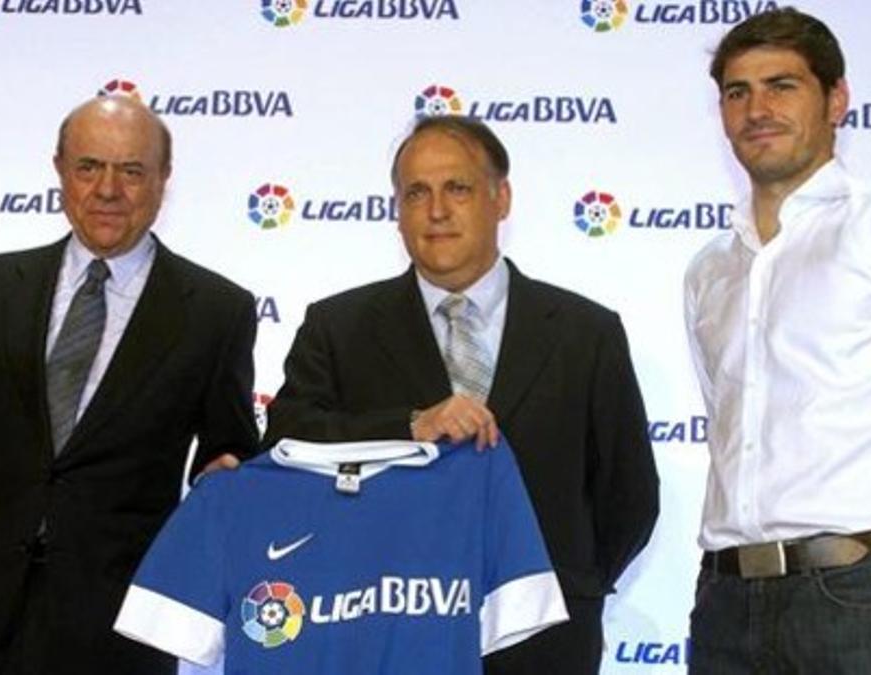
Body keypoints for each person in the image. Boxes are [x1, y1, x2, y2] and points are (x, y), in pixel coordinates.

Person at [263, 114, 659, 674]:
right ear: (396, 210)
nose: (437, 210)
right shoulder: (339, 326)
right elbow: (284, 449)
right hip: (380, 635)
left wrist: (568, 587)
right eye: (416, 193)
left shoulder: (585, 331)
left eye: (458, 188)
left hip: (545, 642)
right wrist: (408, 426)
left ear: (502, 198)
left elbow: (630, 496)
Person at [0, 94, 260, 675]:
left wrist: (228, 475)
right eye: (89, 167)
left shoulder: (217, 312)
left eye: (131, 170)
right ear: (60, 170)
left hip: (116, 629)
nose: (107, 189)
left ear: (164, 180)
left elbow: (226, 450)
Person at [684, 7, 871, 673]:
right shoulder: (708, 270)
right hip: (725, 600)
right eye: (737, 92)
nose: (757, 109)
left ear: (837, 99)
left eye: (782, 85)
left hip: (864, 594)